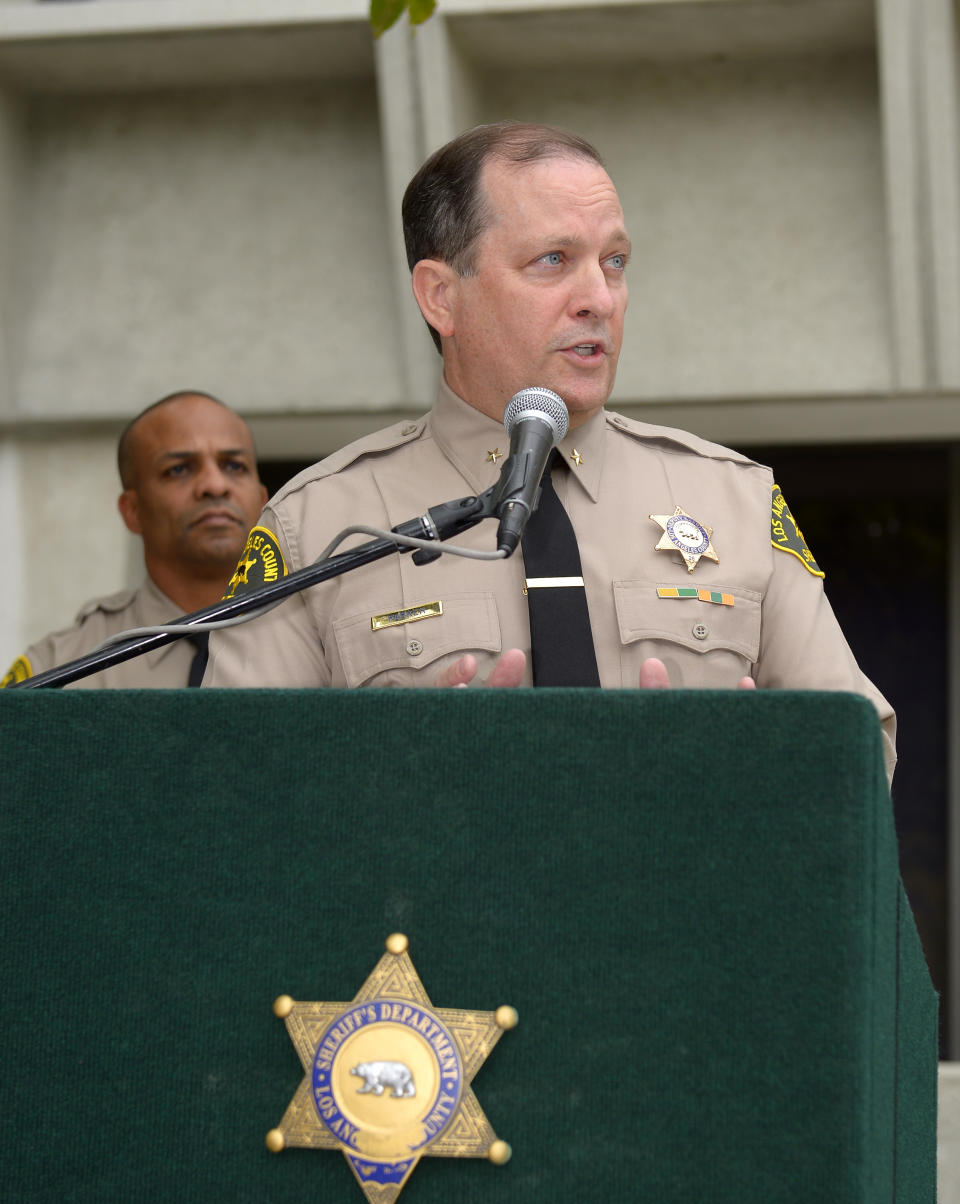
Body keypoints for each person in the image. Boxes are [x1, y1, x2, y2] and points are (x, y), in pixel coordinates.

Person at [203, 122, 895, 779]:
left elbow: (862, 750)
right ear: (441, 297)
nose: (599, 297)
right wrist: (394, 784)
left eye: (615, 261)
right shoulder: (318, 527)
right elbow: (228, 786)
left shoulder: (735, 499)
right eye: (553, 261)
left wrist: (753, 776)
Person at [2, 390, 267, 689]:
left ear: (263, 501)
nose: (215, 485)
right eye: (178, 469)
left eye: (234, 465)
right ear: (133, 511)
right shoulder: (56, 666)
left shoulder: (319, 636)